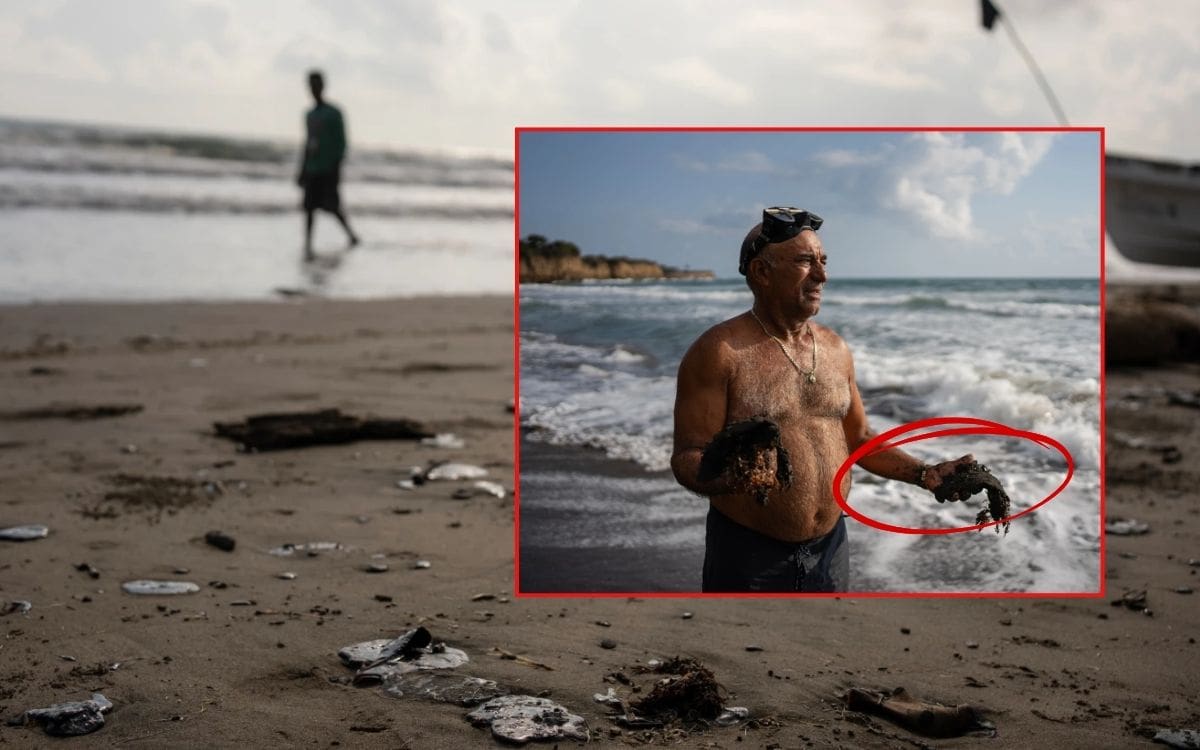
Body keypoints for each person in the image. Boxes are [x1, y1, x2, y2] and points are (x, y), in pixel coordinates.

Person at [671, 207, 974, 593]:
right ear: (762, 273)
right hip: (748, 553)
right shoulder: (721, 352)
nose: (822, 275)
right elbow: (687, 456)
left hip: (830, 549)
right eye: (804, 262)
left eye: (823, 261)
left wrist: (923, 474)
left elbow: (860, 439)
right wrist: (732, 475)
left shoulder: (835, 348)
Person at [297, 70, 359, 260]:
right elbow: (307, 143)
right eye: (311, 85)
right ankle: (307, 243)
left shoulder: (334, 113)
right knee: (309, 208)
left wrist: (337, 167)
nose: (314, 88)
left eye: (316, 84)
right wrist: (302, 169)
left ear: (323, 86)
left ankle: (351, 235)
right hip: (312, 168)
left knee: (332, 206)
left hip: (328, 167)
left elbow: (342, 143)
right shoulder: (309, 114)